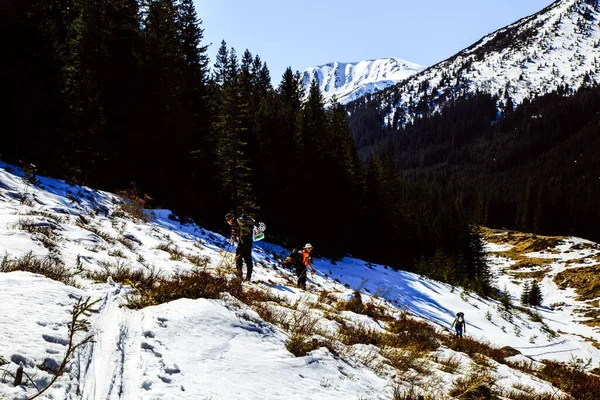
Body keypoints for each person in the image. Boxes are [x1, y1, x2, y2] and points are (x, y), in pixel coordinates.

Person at [225, 213, 255, 281]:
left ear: (230, 219)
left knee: (238, 259)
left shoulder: (235, 223)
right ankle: (248, 277)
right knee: (248, 259)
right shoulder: (241, 222)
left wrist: (232, 238)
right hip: (249, 241)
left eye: (228, 220)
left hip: (242, 242)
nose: (228, 222)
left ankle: (239, 276)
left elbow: (234, 233)